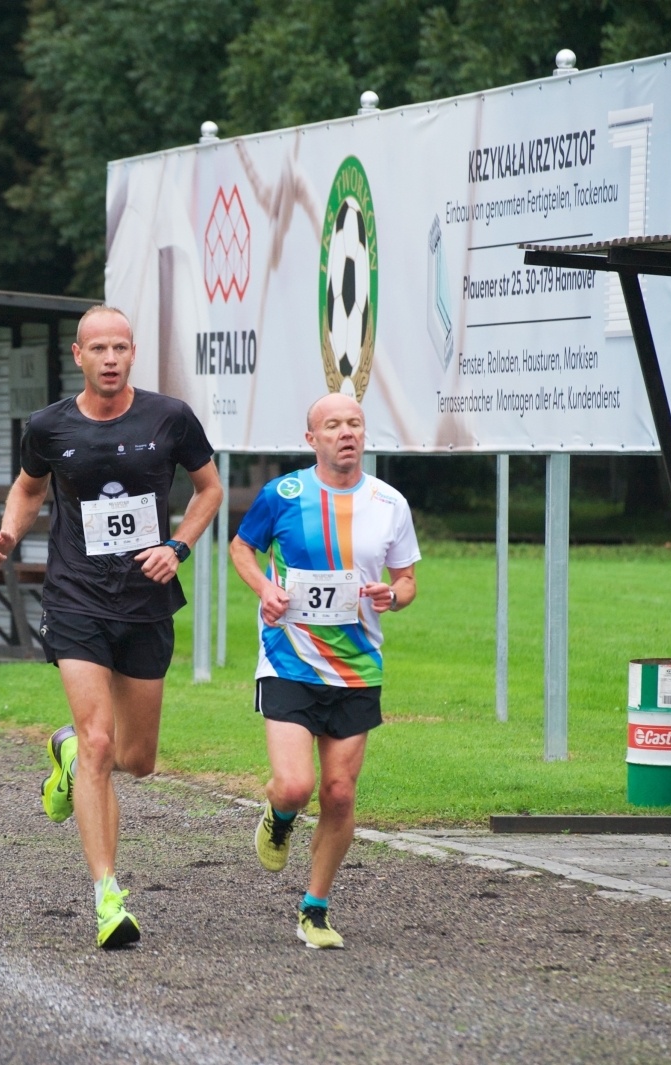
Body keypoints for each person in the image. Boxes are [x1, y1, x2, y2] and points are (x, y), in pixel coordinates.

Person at [0, 305, 222, 949]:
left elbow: (208, 489)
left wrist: (179, 547)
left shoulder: (169, 417)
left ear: (133, 353)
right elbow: (29, 491)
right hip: (76, 596)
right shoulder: (48, 426)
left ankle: (61, 755)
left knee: (137, 760)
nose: (110, 359)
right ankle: (108, 895)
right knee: (99, 742)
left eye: (121, 348)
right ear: (78, 356)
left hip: (146, 600)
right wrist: (7, 534)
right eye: (99, 349)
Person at [229, 393, 419, 949]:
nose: (346, 433)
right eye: (332, 425)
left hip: (358, 667)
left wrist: (393, 594)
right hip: (289, 657)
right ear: (311, 439)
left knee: (338, 794)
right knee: (295, 784)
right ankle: (280, 815)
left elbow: (407, 581)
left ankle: (314, 909)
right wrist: (265, 587)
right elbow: (242, 549)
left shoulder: (389, 502)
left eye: (354, 424)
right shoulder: (283, 495)